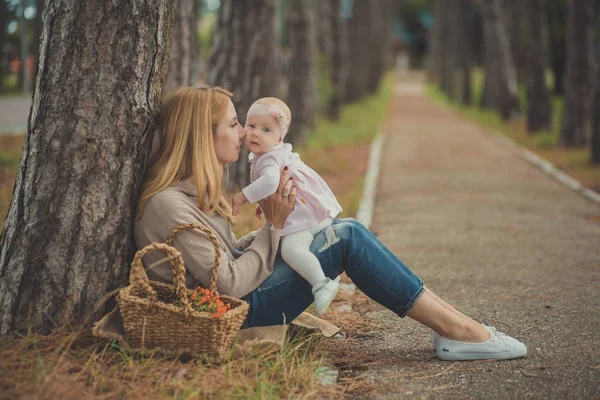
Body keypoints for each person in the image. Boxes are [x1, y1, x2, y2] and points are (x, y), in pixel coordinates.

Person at [134, 86, 527, 361]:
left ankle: (456, 326)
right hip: (237, 312)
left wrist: (278, 225)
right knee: (348, 237)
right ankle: (459, 332)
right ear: (203, 135)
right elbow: (229, 283)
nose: (244, 132)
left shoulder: (197, 190)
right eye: (235, 124)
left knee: (339, 230)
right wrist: (273, 227)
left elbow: (227, 256)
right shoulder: (168, 205)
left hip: (240, 297)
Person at [231, 97, 342, 316]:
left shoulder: (270, 158)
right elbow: (269, 187)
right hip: (303, 210)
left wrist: (242, 197)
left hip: (302, 217)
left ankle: (322, 284)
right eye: (251, 126)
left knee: (291, 250)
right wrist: (263, 205)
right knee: (283, 247)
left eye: (266, 129)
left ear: (279, 137)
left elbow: (271, 182)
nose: (255, 133)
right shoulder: (268, 154)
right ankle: (323, 272)